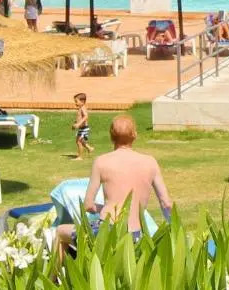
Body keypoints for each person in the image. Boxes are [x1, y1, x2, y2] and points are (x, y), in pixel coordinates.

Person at [55, 115, 173, 259]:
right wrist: (173, 230)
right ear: (135, 135)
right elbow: (166, 204)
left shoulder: (101, 162)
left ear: (111, 136)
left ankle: (55, 273)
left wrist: (105, 208)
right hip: (136, 235)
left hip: (106, 233)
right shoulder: (150, 162)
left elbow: (88, 205)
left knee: (60, 232)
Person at [72, 93, 94, 159]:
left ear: (82, 101)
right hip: (82, 128)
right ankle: (89, 148)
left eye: (76, 101)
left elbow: (86, 116)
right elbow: (79, 118)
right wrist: (75, 124)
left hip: (84, 128)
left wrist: (78, 124)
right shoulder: (80, 108)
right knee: (81, 141)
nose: (75, 103)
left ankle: (80, 157)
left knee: (78, 141)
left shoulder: (83, 108)